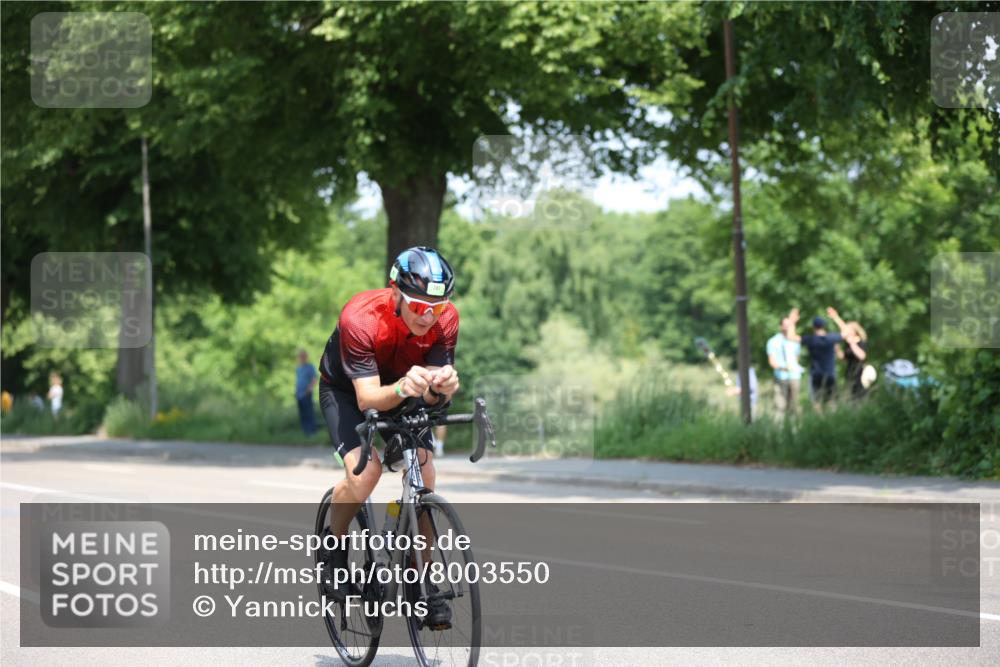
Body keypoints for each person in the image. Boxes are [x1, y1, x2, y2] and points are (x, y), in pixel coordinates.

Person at [317, 246, 460, 628]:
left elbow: (433, 396)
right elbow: (367, 399)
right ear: (395, 292)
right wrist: (402, 389)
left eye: (437, 308)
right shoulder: (360, 317)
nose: (428, 316)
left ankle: (421, 580)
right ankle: (333, 547)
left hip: (404, 388)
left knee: (424, 473)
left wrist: (443, 388)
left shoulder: (445, 320)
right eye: (419, 306)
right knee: (366, 474)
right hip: (347, 392)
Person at [800, 315, 845, 409]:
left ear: (813, 327)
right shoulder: (831, 338)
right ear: (824, 326)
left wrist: (792, 321)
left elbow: (791, 337)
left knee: (816, 401)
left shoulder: (810, 339)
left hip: (815, 374)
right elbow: (846, 332)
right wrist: (836, 317)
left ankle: (818, 417)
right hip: (830, 374)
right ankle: (832, 417)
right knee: (832, 400)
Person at [766, 308, 803, 419]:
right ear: (781, 326)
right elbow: (772, 361)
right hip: (781, 376)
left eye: (789, 325)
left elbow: (797, 358)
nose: (787, 327)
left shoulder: (795, 342)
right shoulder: (773, 341)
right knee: (780, 406)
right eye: (785, 325)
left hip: (794, 376)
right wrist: (783, 368)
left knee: (795, 406)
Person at [826, 307, 869, 400]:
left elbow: (862, 356)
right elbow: (844, 358)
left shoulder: (861, 342)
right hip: (849, 373)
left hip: (859, 375)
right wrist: (837, 349)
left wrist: (852, 343)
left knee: (859, 397)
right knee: (850, 396)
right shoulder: (848, 344)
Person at [295, 349, 318, 436]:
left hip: (306, 393)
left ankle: (312, 431)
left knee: (309, 412)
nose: (302, 358)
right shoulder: (298, 368)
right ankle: (305, 431)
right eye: (300, 356)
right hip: (299, 394)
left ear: (306, 357)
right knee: (302, 414)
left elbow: (314, 379)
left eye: (303, 356)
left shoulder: (310, 367)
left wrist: (309, 389)